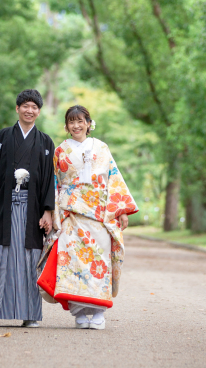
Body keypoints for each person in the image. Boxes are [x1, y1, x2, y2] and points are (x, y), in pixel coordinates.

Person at [38, 105, 138, 330]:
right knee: (73, 262)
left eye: (80, 121)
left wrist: (120, 210)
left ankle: (99, 313)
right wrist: (52, 212)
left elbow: (113, 177)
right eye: (71, 122)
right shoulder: (60, 151)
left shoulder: (102, 148)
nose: (76, 125)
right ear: (66, 126)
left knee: (97, 261)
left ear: (88, 123)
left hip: (99, 213)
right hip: (71, 213)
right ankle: (80, 313)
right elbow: (53, 183)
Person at [0, 89, 55, 328]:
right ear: (17, 108)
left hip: (33, 211)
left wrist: (47, 211)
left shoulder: (46, 142)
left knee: (30, 261)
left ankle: (30, 315)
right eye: (25, 106)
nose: (30, 110)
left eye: (34, 107)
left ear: (39, 111)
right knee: (1, 259)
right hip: (3, 208)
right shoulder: (0, 138)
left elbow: (49, 179)